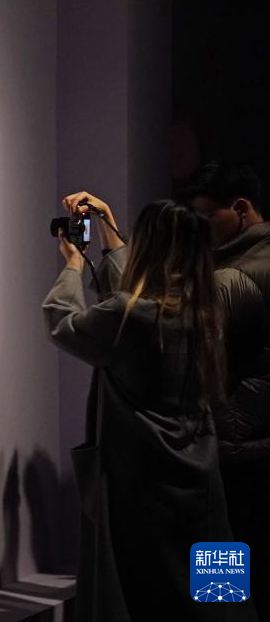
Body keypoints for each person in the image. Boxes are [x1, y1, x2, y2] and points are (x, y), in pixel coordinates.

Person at [43, 193, 252, 622]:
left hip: (141, 480)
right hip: (201, 474)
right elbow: (138, 296)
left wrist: (73, 265)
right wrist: (108, 223)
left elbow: (64, 324)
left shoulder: (129, 315)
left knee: (146, 593)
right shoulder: (205, 309)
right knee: (217, 590)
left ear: (149, 246)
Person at [182, 161, 270, 620]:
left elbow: (179, 342)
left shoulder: (233, 277)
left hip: (235, 445)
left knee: (223, 582)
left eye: (204, 217)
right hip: (255, 439)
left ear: (240, 208)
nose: (198, 228)